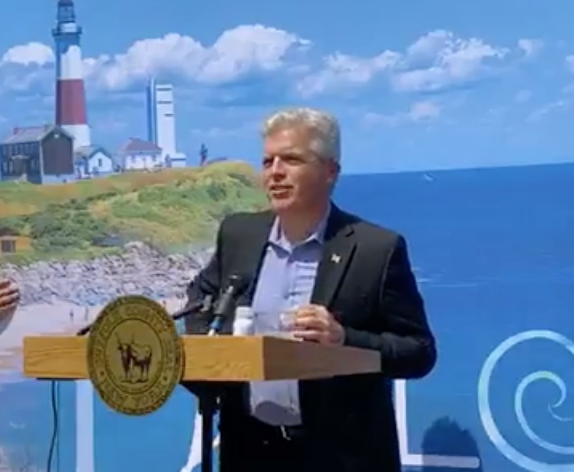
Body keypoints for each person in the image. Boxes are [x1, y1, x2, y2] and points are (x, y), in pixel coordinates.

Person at [185, 107, 437, 472]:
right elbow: (200, 303)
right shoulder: (239, 235)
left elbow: (419, 352)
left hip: (341, 456)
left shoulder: (375, 249)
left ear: (330, 171)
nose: (275, 172)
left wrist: (343, 339)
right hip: (250, 450)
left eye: (291, 160)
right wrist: (216, 357)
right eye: (267, 161)